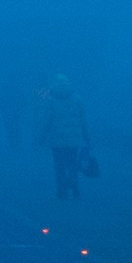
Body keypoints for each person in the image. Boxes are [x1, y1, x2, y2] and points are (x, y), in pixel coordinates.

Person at [36, 72, 94, 201]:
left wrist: (41, 137)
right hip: (73, 140)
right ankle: (74, 186)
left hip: (57, 140)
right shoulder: (78, 99)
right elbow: (83, 120)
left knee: (59, 165)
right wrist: (87, 137)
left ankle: (61, 190)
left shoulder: (50, 101)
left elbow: (45, 121)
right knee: (72, 163)